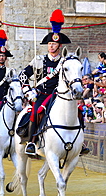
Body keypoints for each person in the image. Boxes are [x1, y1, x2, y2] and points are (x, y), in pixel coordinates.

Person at [18, 9, 89, 155]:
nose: (51, 46)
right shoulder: (38, 60)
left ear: (59, 46)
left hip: (59, 94)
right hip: (42, 94)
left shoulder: (65, 62)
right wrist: (28, 91)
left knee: (79, 111)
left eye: (54, 44)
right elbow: (23, 75)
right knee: (36, 111)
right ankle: (31, 142)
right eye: (49, 43)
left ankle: (80, 143)